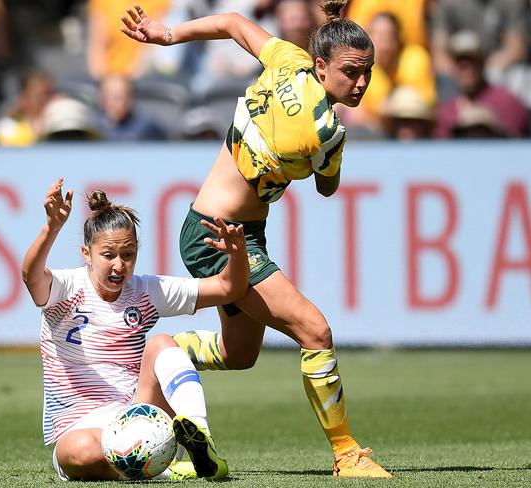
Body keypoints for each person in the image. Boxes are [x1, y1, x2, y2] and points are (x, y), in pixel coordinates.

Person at [119, 0, 391, 478]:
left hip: (224, 229)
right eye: (352, 73)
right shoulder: (324, 131)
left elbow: (231, 22)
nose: (362, 83)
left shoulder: (289, 59)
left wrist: (168, 36)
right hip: (220, 236)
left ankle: (163, 351)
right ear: (323, 66)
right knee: (315, 330)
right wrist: (326, 151)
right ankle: (347, 453)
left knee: (238, 354)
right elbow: (327, 188)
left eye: (367, 72)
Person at [22, 178, 250, 481]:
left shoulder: (145, 291)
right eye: (108, 255)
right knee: (77, 451)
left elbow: (228, 287)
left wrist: (237, 255)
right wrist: (51, 228)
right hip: (78, 425)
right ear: (86, 253)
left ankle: (201, 440)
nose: (119, 265)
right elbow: (30, 276)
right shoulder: (66, 288)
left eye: (128, 255)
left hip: (140, 418)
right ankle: (167, 472)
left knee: (161, 343)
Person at [434, 30, 531, 139]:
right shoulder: (446, 112)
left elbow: (516, 146)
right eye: (460, 63)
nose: (466, 69)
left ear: (483, 63)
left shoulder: (507, 102)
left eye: (472, 61)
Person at [98, 74, 167, 141]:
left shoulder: (147, 128)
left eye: (122, 96)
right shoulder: (93, 129)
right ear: (102, 98)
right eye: (113, 97)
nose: (115, 102)